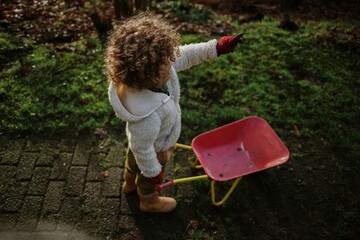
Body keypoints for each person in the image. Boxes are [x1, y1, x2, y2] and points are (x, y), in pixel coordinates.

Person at [106, 12, 244, 213]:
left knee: (132, 162)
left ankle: (129, 185)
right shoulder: (147, 117)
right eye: (167, 60)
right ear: (152, 74)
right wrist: (153, 172)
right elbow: (142, 149)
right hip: (155, 148)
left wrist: (216, 47)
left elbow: (186, 54)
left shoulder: (153, 66)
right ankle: (149, 201)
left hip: (142, 144)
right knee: (145, 174)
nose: (173, 60)